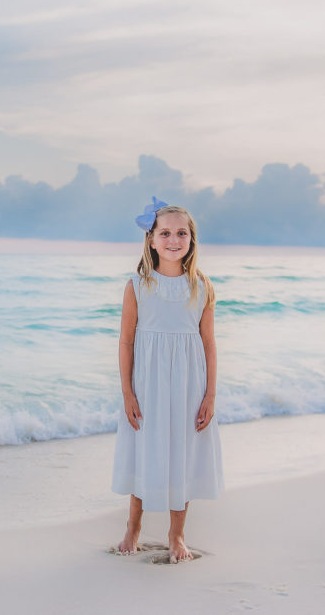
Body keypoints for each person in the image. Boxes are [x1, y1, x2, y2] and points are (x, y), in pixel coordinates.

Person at [110, 197, 224, 563]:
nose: (174, 240)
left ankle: (177, 535)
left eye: (181, 233)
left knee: (182, 456)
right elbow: (127, 342)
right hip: (148, 386)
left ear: (192, 239)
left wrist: (210, 395)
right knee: (146, 453)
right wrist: (127, 392)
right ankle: (133, 528)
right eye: (165, 233)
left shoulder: (201, 287)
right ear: (151, 240)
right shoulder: (137, 285)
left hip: (189, 388)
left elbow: (209, 344)